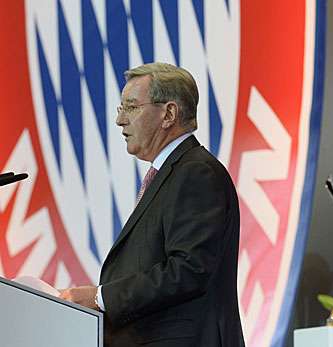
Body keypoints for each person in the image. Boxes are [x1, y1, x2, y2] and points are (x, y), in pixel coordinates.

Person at [59, 62, 245, 347]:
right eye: (120, 109)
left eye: (131, 107)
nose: (120, 120)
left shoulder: (196, 173)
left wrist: (100, 298)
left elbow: (188, 269)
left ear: (169, 113)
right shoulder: (171, 174)